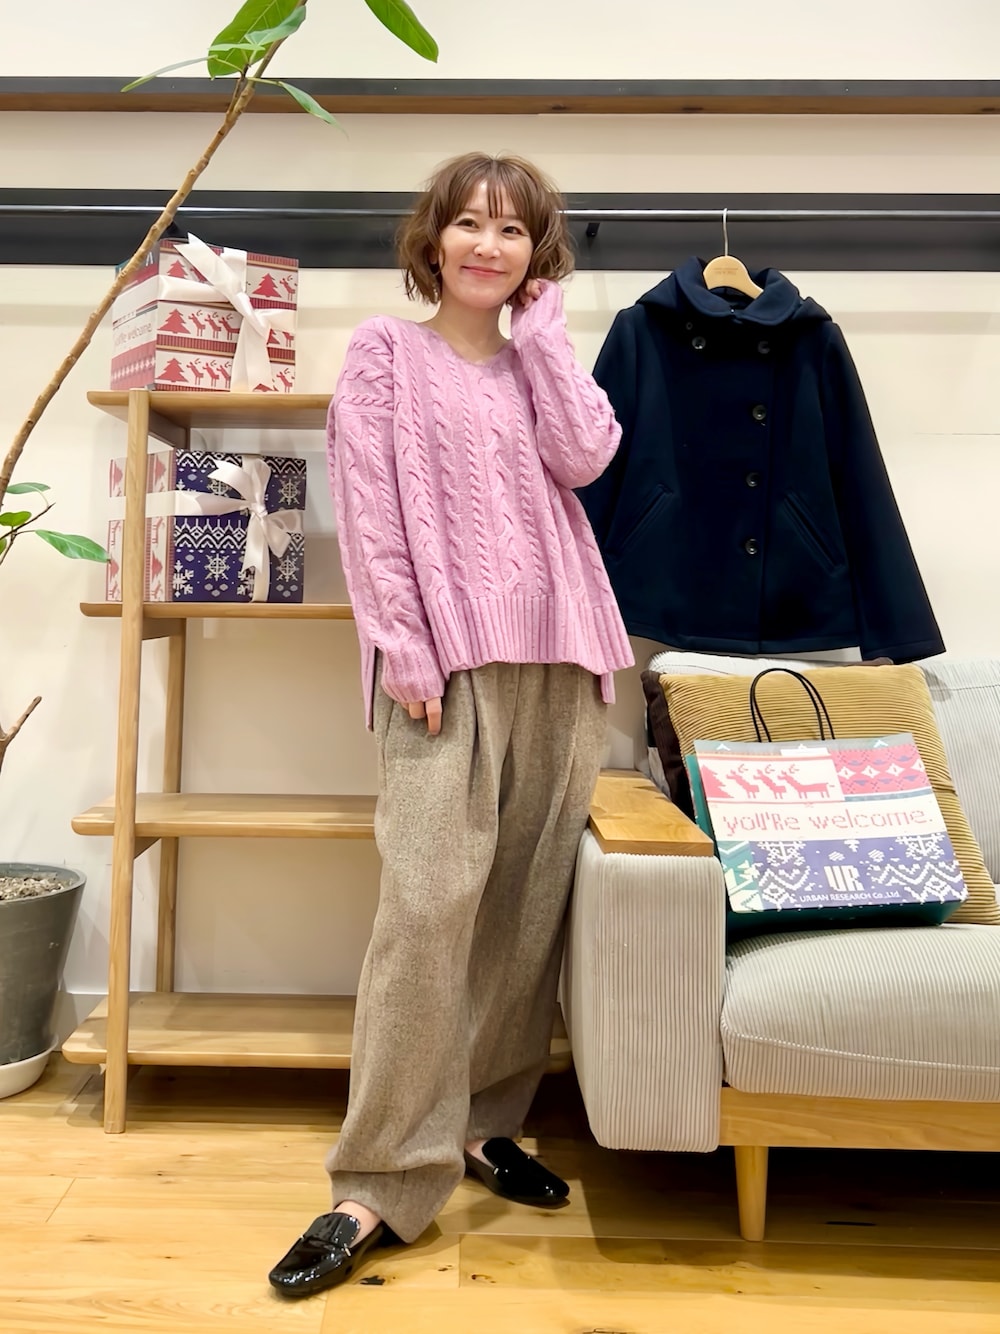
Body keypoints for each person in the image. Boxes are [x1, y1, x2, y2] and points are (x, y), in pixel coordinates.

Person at [268, 151, 633, 1300]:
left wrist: (547, 338)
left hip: (563, 655)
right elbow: (369, 506)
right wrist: (403, 641)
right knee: (425, 910)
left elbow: (587, 455)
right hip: (443, 668)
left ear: (537, 254)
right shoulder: (386, 351)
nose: (488, 243)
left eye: (513, 230)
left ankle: (483, 1122)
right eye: (469, 223)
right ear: (433, 240)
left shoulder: (538, 361)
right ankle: (377, 1180)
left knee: (523, 911)